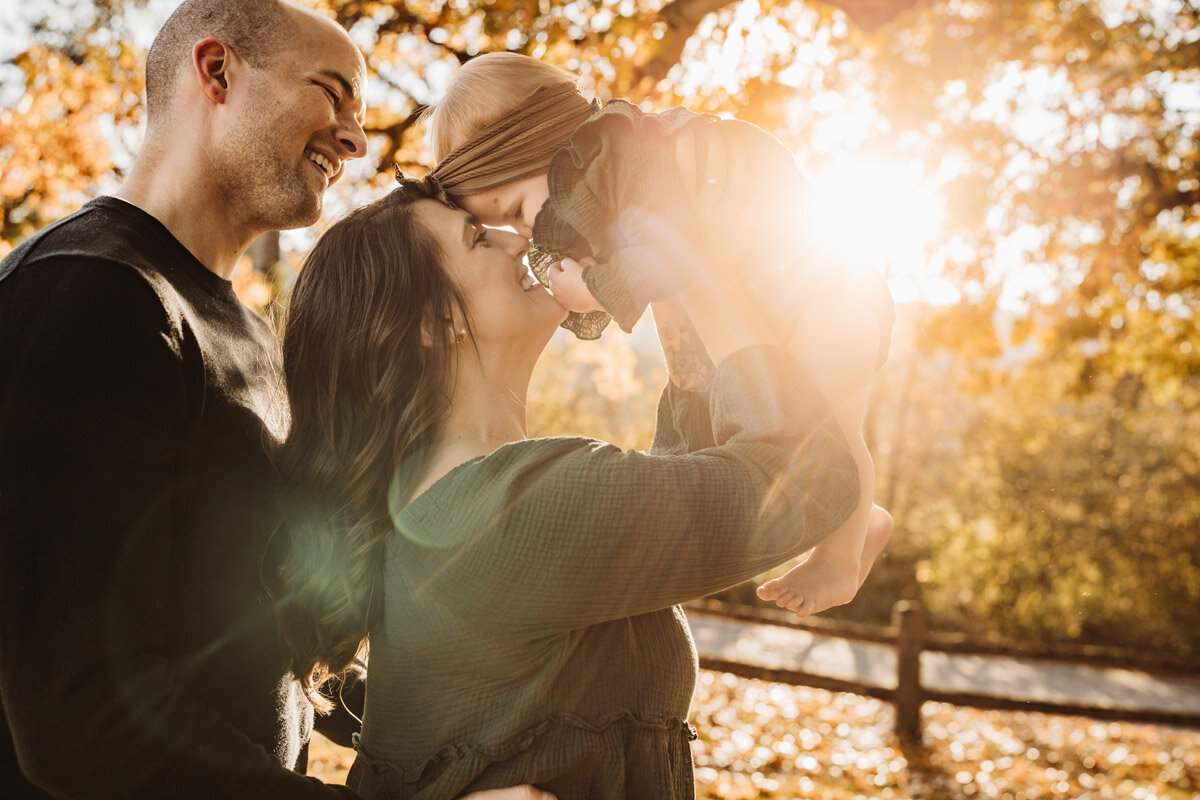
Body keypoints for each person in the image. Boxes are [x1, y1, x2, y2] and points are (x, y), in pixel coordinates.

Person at [0, 3, 549, 799]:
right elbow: (81, 719)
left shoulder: (246, 333)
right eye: (333, 93)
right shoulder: (86, 298)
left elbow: (234, 629)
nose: (357, 138)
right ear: (216, 73)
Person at [268, 173, 863, 798]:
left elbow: (684, 488)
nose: (515, 236)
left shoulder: (453, 504)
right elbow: (808, 481)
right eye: (477, 237)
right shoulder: (515, 509)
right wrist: (693, 267)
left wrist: (668, 301)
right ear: (436, 320)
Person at [422, 52, 895, 618]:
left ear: (555, 151)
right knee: (711, 410)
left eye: (521, 211)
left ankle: (841, 554)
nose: (527, 235)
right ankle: (857, 518)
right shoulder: (606, 178)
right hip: (774, 303)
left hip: (830, 299)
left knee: (832, 419)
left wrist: (595, 288)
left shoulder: (639, 157)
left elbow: (671, 259)